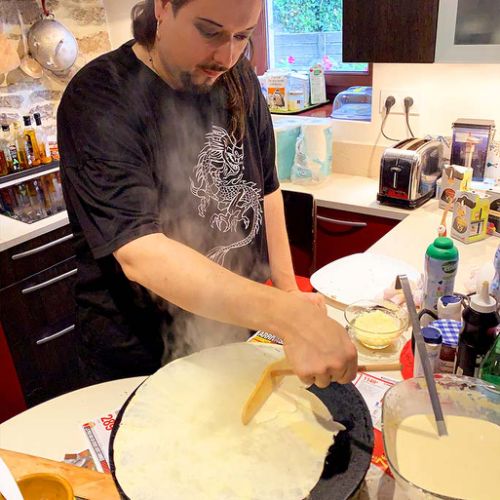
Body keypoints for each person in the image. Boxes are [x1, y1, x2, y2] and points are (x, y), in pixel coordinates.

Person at [57, 0, 357, 388]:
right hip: (137, 357)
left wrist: (289, 293)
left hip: (234, 335)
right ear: (163, 7)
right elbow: (142, 253)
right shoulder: (101, 96)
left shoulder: (238, 77)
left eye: (242, 36)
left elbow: (266, 190)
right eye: (210, 32)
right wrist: (287, 314)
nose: (227, 57)